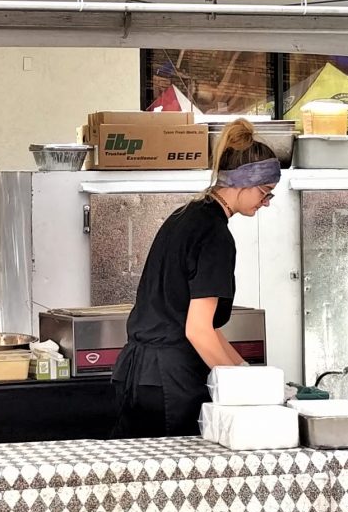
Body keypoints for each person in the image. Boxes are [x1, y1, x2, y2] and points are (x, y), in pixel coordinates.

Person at [112, 119, 281, 437]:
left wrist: (245, 370)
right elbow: (198, 330)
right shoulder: (215, 236)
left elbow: (206, 326)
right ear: (243, 182)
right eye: (265, 192)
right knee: (177, 481)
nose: (267, 202)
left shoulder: (184, 217)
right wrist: (248, 395)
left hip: (136, 373)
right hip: (171, 382)